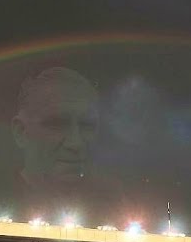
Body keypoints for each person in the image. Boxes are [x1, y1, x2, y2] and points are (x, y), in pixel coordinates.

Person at [10, 67, 129, 226]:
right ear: (21, 132)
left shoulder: (116, 206)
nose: (76, 143)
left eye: (87, 126)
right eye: (57, 124)